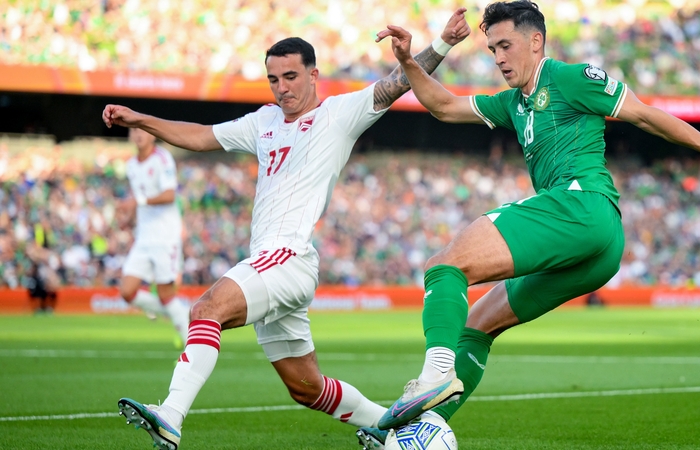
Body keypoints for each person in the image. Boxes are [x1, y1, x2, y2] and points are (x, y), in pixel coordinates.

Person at [370, 0, 700, 437]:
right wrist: (408, 60)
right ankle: (423, 431)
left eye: (505, 45)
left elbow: (647, 115)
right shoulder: (512, 103)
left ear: (536, 42)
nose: (498, 57)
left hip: (582, 206)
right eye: (491, 49)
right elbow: (443, 106)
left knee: (445, 265)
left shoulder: (571, 78)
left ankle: (435, 374)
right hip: (597, 249)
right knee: (476, 325)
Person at [102, 8, 470, 450]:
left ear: (313, 75)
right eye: (274, 79)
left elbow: (398, 82)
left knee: (205, 311)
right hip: (272, 264)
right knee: (307, 389)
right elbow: (200, 136)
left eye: (291, 76)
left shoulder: (339, 114)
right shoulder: (263, 123)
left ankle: (171, 415)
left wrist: (443, 42)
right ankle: (393, 429)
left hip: (287, 256)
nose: (282, 88)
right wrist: (141, 119)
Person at [117, 128, 191, 345]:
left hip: (165, 236)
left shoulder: (162, 158)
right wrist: (128, 219)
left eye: (143, 130)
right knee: (127, 291)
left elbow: (169, 195)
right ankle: (180, 312)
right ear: (130, 136)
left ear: (151, 135)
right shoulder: (131, 165)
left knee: (165, 294)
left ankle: (191, 348)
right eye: (134, 130)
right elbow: (138, 198)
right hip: (143, 237)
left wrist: (136, 203)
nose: (138, 134)